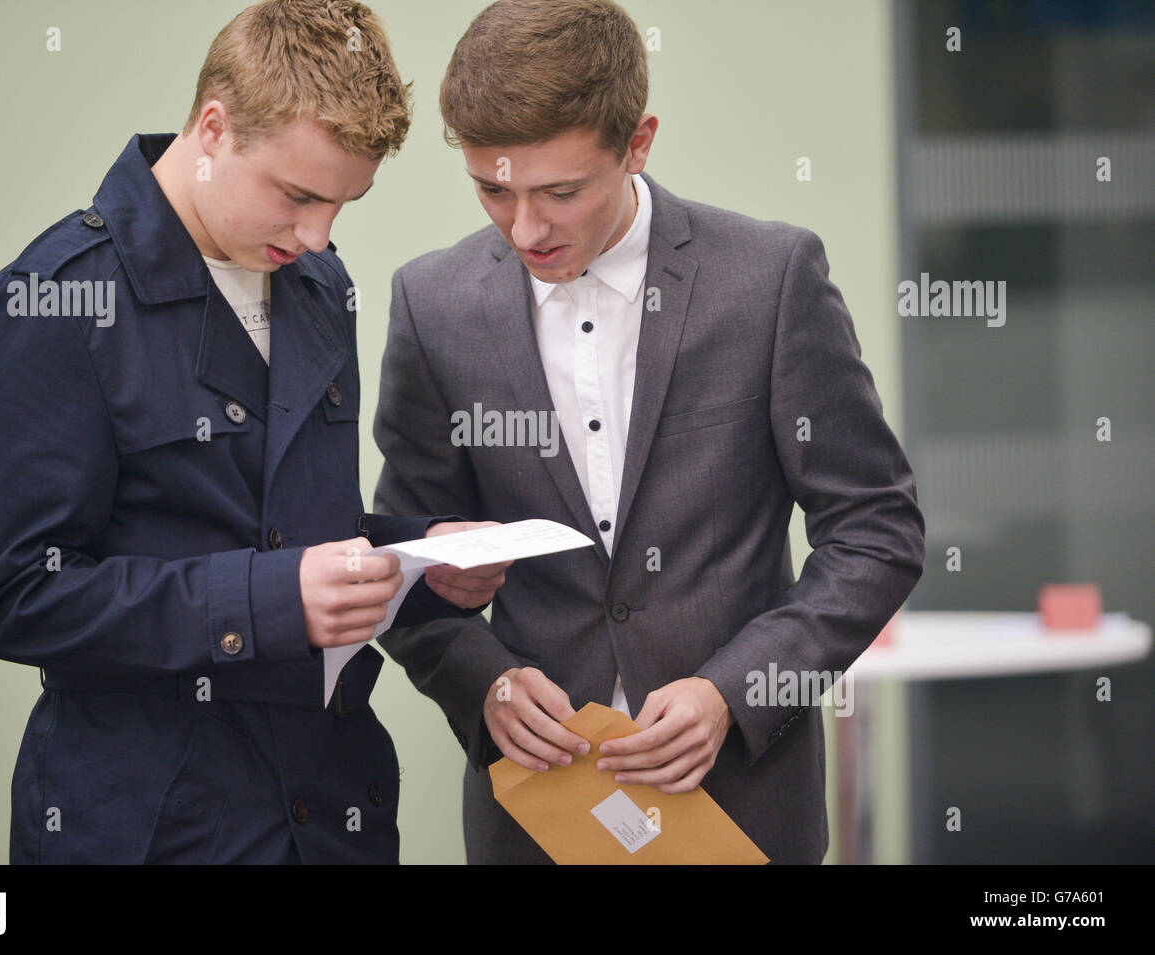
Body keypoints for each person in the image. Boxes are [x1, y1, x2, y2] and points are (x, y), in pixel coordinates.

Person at [373, 0, 925, 864]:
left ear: (639, 144)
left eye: (559, 192)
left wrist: (733, 693)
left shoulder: (770, 281)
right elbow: (406, 568)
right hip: (533, 823)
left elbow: (877, 532)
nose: (525, 228)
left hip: (747, 812)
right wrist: (485, 685)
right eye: (492, 190)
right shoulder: (431, 305)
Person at [0, 0, 506, 865]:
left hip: (329, 815)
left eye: (343, 204)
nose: (319, 235)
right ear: (212, 128)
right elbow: (13, 596)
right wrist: (271, 598)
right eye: (297, 195)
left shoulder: (319, 284)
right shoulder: (55, 301)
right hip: (147, 824)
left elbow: (294, 533)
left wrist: (425, 558)